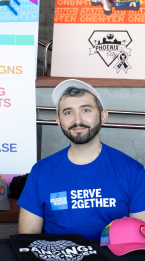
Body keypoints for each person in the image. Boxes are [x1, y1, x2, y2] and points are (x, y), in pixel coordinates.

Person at [17, 79, 145, 240]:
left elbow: (140, 238)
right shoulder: (41, 171)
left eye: (86, 110)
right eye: (68, 112)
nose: (77, 120)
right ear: (58, 121)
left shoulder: (132, 171)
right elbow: (27, 237)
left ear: (103, 116)